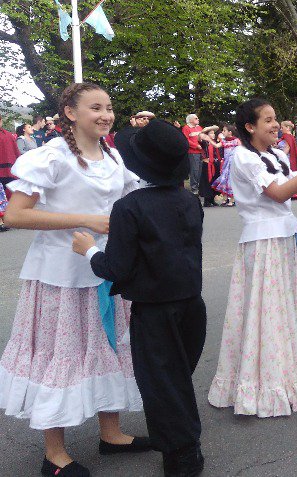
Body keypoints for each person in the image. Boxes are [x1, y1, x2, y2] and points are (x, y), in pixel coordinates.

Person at [0, 82, 148, 477]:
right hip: (60, 277)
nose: (105, 115)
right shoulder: (51, 157)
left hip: (106, 268)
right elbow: (14, 215)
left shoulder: (114, 155)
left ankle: (111, 433)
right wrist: (83, 220)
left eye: (109, 107)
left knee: (109, 346)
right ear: (70, 112)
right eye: (95, 107)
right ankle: (54, 453)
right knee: (59, 356)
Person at [71, 119, 207, 477]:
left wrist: (88, 251)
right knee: (177, 378)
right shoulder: (189, 201)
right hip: (192, 305)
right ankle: (185, 445)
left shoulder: (130, 207)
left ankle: (182, 455)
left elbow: (116, 267)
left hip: (154, 312)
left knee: (162, 386)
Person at [207, 99, 297, 418]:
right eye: (267, 120)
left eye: (275, 119)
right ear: (249, 127)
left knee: (291, 306)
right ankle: (270, 383)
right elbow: (278, 194)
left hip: (284, 237)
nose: (274, 125)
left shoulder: (277, 154)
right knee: (267, 311)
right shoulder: (241, 156)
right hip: (263, 240)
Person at [211, 124, 240, 206]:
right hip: (225, 163)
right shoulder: (223, 141)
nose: (222, 132)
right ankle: (225, 198)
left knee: (231, 180)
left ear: (230, 132)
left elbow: (241, 149)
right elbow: (216, 145)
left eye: (224, 130)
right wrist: (209, 139)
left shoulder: (236, 141)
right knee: (224, 179)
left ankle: (232, 199)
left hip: (233, 162)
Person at [182, 114, 204, 195]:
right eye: (196, 118)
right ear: (190, 120)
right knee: (194, 170)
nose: (198, 119)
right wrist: (196, 146)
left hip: (201, 152)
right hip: (193, 152)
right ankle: (194, 189)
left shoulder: (199, 127)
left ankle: (200, 187)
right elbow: (185, 140)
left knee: (201, 170)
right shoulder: (186, 128)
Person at [0, 113, 21, 191]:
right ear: (1, 121)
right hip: (9, 172)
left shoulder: (8, 135)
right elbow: (16, 154)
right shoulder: (9, 135)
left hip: (8, 173)